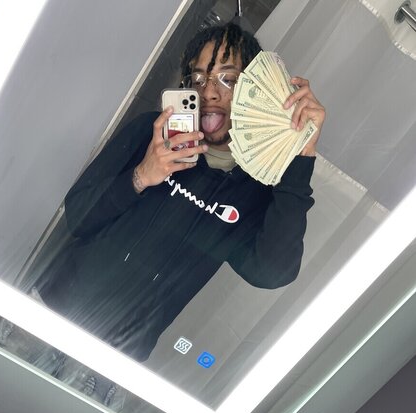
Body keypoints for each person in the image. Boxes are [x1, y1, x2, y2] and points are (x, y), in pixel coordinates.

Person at [36, 22, 325, 366]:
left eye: (227, 79)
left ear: (256, 87)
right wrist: (141, 176)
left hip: (115, 359)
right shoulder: (150, 133)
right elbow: (78, 216)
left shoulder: (257, 187)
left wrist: (301, 154)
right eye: (199, 78)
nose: (209, 92)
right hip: (46, 317)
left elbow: (271, 272)